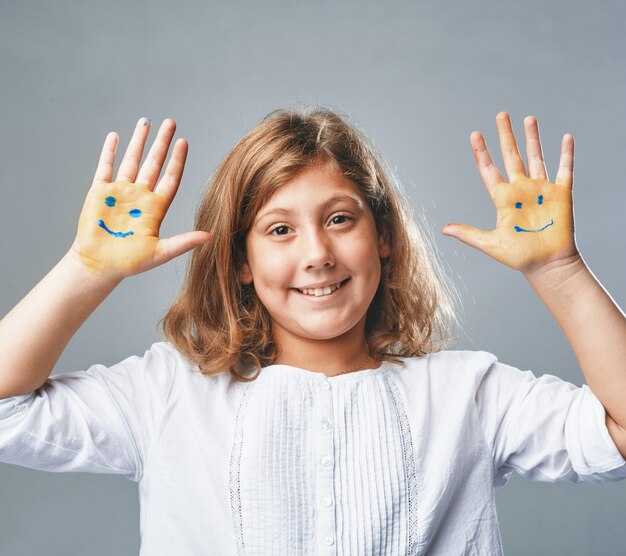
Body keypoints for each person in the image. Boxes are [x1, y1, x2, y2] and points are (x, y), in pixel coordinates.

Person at [0, 108, 625, 555]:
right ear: (242, 263)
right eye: (279, 230)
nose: (318, 254)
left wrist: (558, 270)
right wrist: (86, 270)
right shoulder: (167, 393)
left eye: (340, 219)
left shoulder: (470, 394)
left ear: (383, 237)